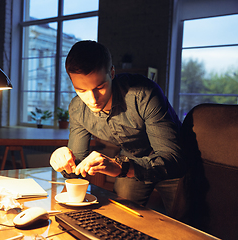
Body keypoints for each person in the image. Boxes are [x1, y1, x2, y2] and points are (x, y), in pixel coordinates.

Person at [50, 40, 187, 215]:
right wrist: (62, 161)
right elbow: (76, 169)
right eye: (81, 90)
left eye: (100, 87)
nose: (92, 99)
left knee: (183, 222)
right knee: (124, 216)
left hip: (174, 160)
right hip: (132, 158)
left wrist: (121, 167)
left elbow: (173, 159)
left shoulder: (143, 93)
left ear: (112, 73)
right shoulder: (78, 109)